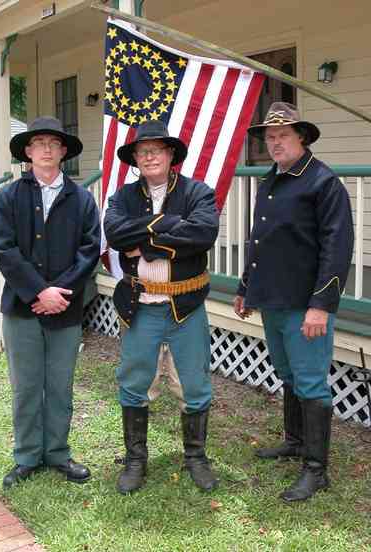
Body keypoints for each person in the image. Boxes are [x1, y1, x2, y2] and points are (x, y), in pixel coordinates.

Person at [234, 102, 354, 502]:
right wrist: (245, 287)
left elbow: (337, 249)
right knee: (287, 373)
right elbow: (259, 240)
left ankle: (316, 470)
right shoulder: (272, 180)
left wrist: (321, 304)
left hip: (306, 304)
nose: (275, 142)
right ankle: (296, 441)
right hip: (272, 299)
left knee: (310, 381)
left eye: (283, 135)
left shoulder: (323, 183)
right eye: (269, 137)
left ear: (301, 137)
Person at [103, 120, 219, 494]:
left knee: (195, 384)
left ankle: (196, 457)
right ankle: (136, 460)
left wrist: (148, 241)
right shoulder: (122, 197)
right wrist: (170, 227)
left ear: (171, 155)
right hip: (140, 306)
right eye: (142, 150)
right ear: (135, 158)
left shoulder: (197, 192)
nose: (150, 155)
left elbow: (202, 233)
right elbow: (116, 234)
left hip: (185, 305)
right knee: (135, 383)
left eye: (158, 149)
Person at [0, 116, 100, 489]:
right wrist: (39, 291)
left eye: (54, 143)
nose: (47, 149)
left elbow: (89, 252)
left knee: (59, 385)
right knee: (25, 387)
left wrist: (58, 295)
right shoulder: (9, 196)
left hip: (65, 311)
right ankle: (26, 456)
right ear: (28, 151)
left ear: (64, 151)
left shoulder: (82, 199)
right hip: (22, 310)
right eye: (39, 143)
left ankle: (56, 453)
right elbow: (3, 249)